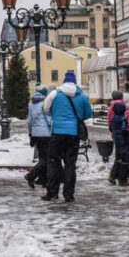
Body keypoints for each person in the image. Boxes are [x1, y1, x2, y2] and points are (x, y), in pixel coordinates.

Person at [41, 71, 93, 202]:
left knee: (54, 162)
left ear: (64, 81)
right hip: (73, 135)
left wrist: (56, 114)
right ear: (75, 82)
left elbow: (45, 109)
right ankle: (69, 194)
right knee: (70, 164)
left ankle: (52, 192)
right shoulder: (82, 96)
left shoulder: (54, 94)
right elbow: (88, 114)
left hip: (57, 134)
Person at [107, 90, 129, 184]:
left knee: (118, 158)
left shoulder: (111, 108)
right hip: (124, 141)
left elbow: (110, 126)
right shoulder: (124, 112)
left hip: (116, 138)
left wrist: (114, 133)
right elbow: (128, 125)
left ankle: (113, 176)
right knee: (125, 159)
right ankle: (123, 179)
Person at [24, 86, 52, 188]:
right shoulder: (44, 103)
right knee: (47, 159)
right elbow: (49, 120)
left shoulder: (31, 104)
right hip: (45, 133)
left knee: (42, 157)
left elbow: (29, 121)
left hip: (36, 134)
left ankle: (43, 180)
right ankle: (31, 176)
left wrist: (31, 134)